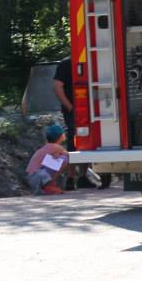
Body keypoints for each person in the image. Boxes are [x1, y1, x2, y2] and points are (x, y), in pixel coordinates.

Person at [53, 56, 108, 190]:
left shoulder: (69, 62)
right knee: (77, 142)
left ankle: (79, 178)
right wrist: (70, 107)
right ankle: (73, 178)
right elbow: (57, 87)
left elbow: (57, 87)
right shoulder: (68, 63)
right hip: (80, 110)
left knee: (83, 142)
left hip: (85, 110)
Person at [25, 124, 70, 195]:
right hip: (38, 177)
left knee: (59, 158)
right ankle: (49, 186)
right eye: (63, 133)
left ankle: (47, 186)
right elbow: (68, 155)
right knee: (64, 158)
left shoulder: (47, 147)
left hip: (32, 178)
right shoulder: (56, 147)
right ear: (60, 136)